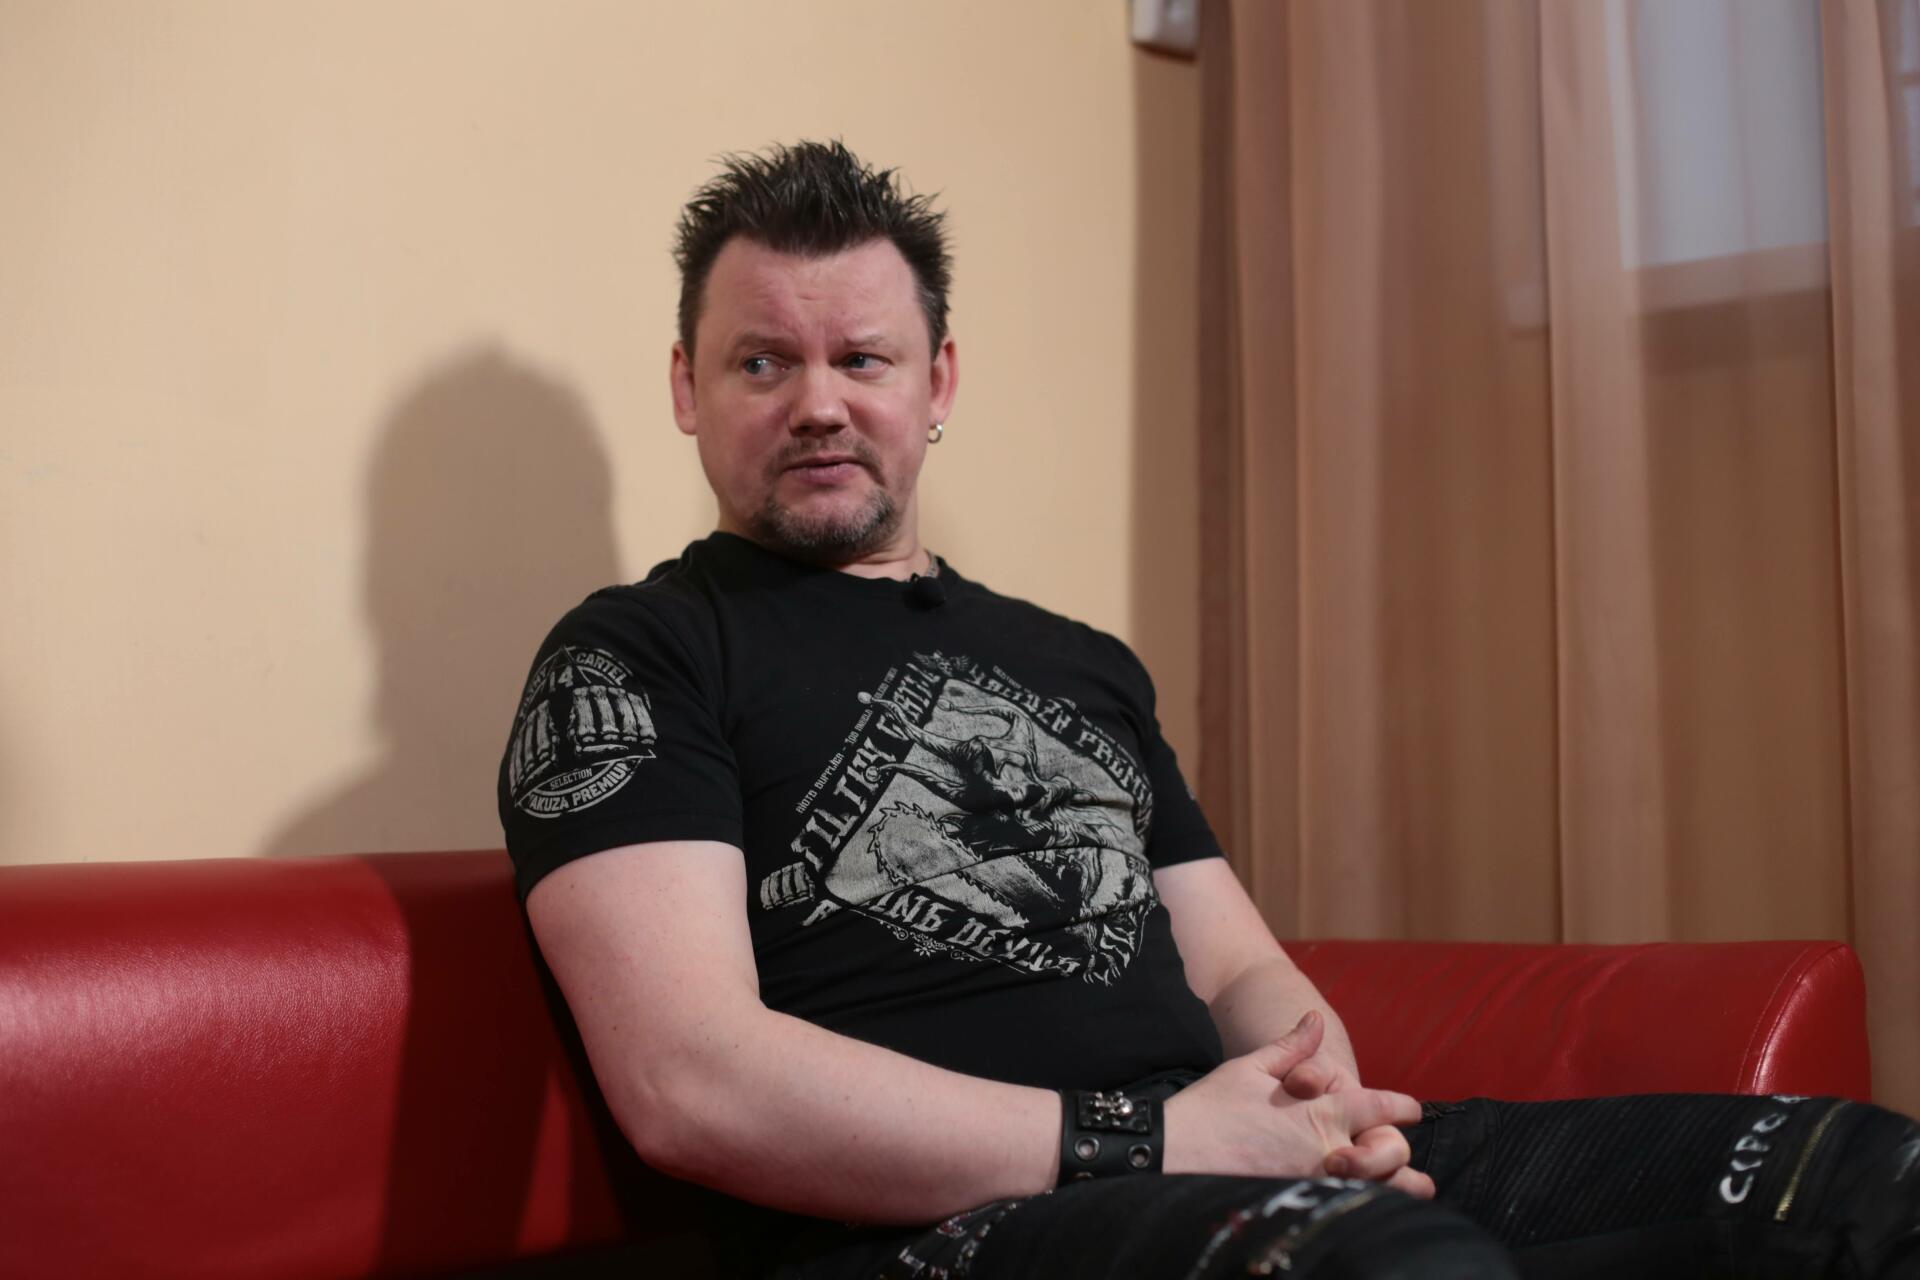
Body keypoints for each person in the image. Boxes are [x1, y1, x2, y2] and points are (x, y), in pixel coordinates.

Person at [498, 140, 1920, 1278]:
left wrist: (1324, 1115)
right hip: (937, 1233)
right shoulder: (634, 658)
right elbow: (694, 1084)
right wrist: (1154, 1141)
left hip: (1222, 1171)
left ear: (937, 383)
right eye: (763, 361)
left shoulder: (1077, 662)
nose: (818, 402)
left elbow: (1239, 970)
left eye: (861, 358)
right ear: (688, 389)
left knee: (1860, 1178)